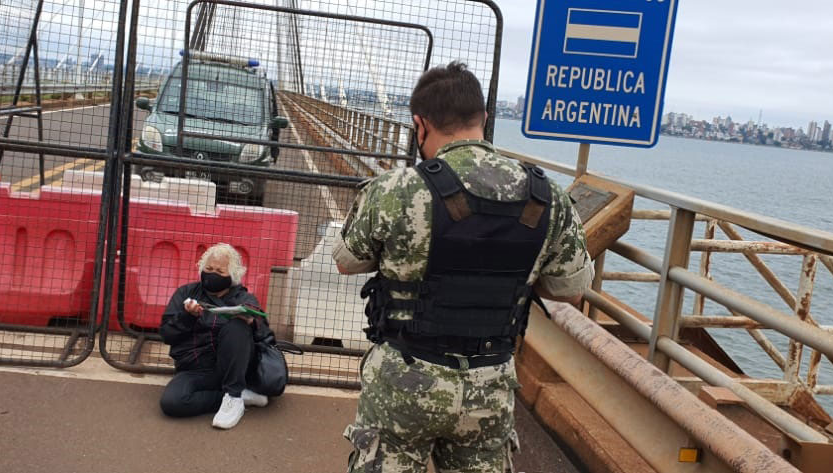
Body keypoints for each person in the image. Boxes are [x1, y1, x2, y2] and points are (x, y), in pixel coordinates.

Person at [333, 61, 593, 472]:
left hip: (404, 380)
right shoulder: (547, 197)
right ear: (484, 119)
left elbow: (348, 262)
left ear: (420, 125)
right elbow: (569, 289)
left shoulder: (395, 189)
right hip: (489, 385)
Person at [159, 243, 273, 430]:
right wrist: (187, 317)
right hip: (193, 369)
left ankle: (233, 396)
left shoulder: (244, 299)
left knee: (238, 325)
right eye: (208, 268)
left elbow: (264, 336)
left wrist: (251, 322)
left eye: (219, 271)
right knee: (172, 402)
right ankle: (237, 397)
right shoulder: (185, 293)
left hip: (230, 369)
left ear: (232, 276)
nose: (212, 274)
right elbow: (166, 334)